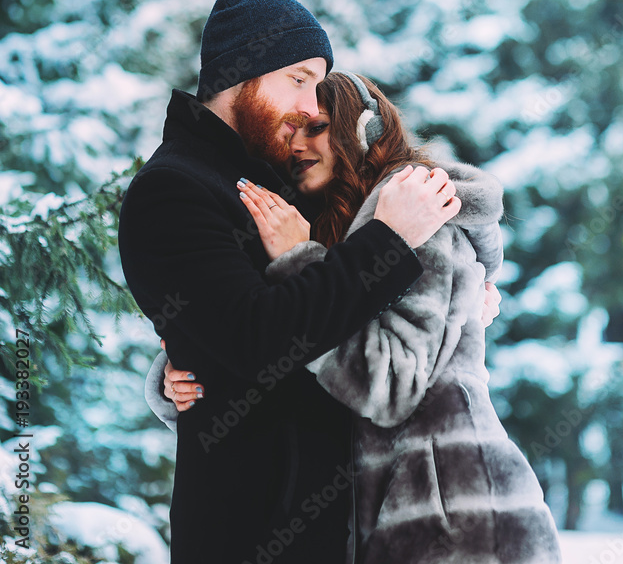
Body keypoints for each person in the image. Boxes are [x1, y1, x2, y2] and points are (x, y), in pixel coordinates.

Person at [152, 71, 562, 564]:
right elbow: (268, 332)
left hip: (457, 513)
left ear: (363, 130)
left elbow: (391, 385)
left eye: (318, 127)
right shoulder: (336, 231)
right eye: (292, 131)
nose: (298, 144)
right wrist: (181, 373)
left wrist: (299, 262)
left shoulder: (419, 217)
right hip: (397, 519)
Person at [118, 0, 464, 564]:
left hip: (339, 531)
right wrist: (391, 239)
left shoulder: (274, 178)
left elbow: (304, 316)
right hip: (248, 533)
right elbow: (259, 337)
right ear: (240, 73)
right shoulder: (173, 190)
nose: (311, 104)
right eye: (298, 78)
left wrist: (455, 293)